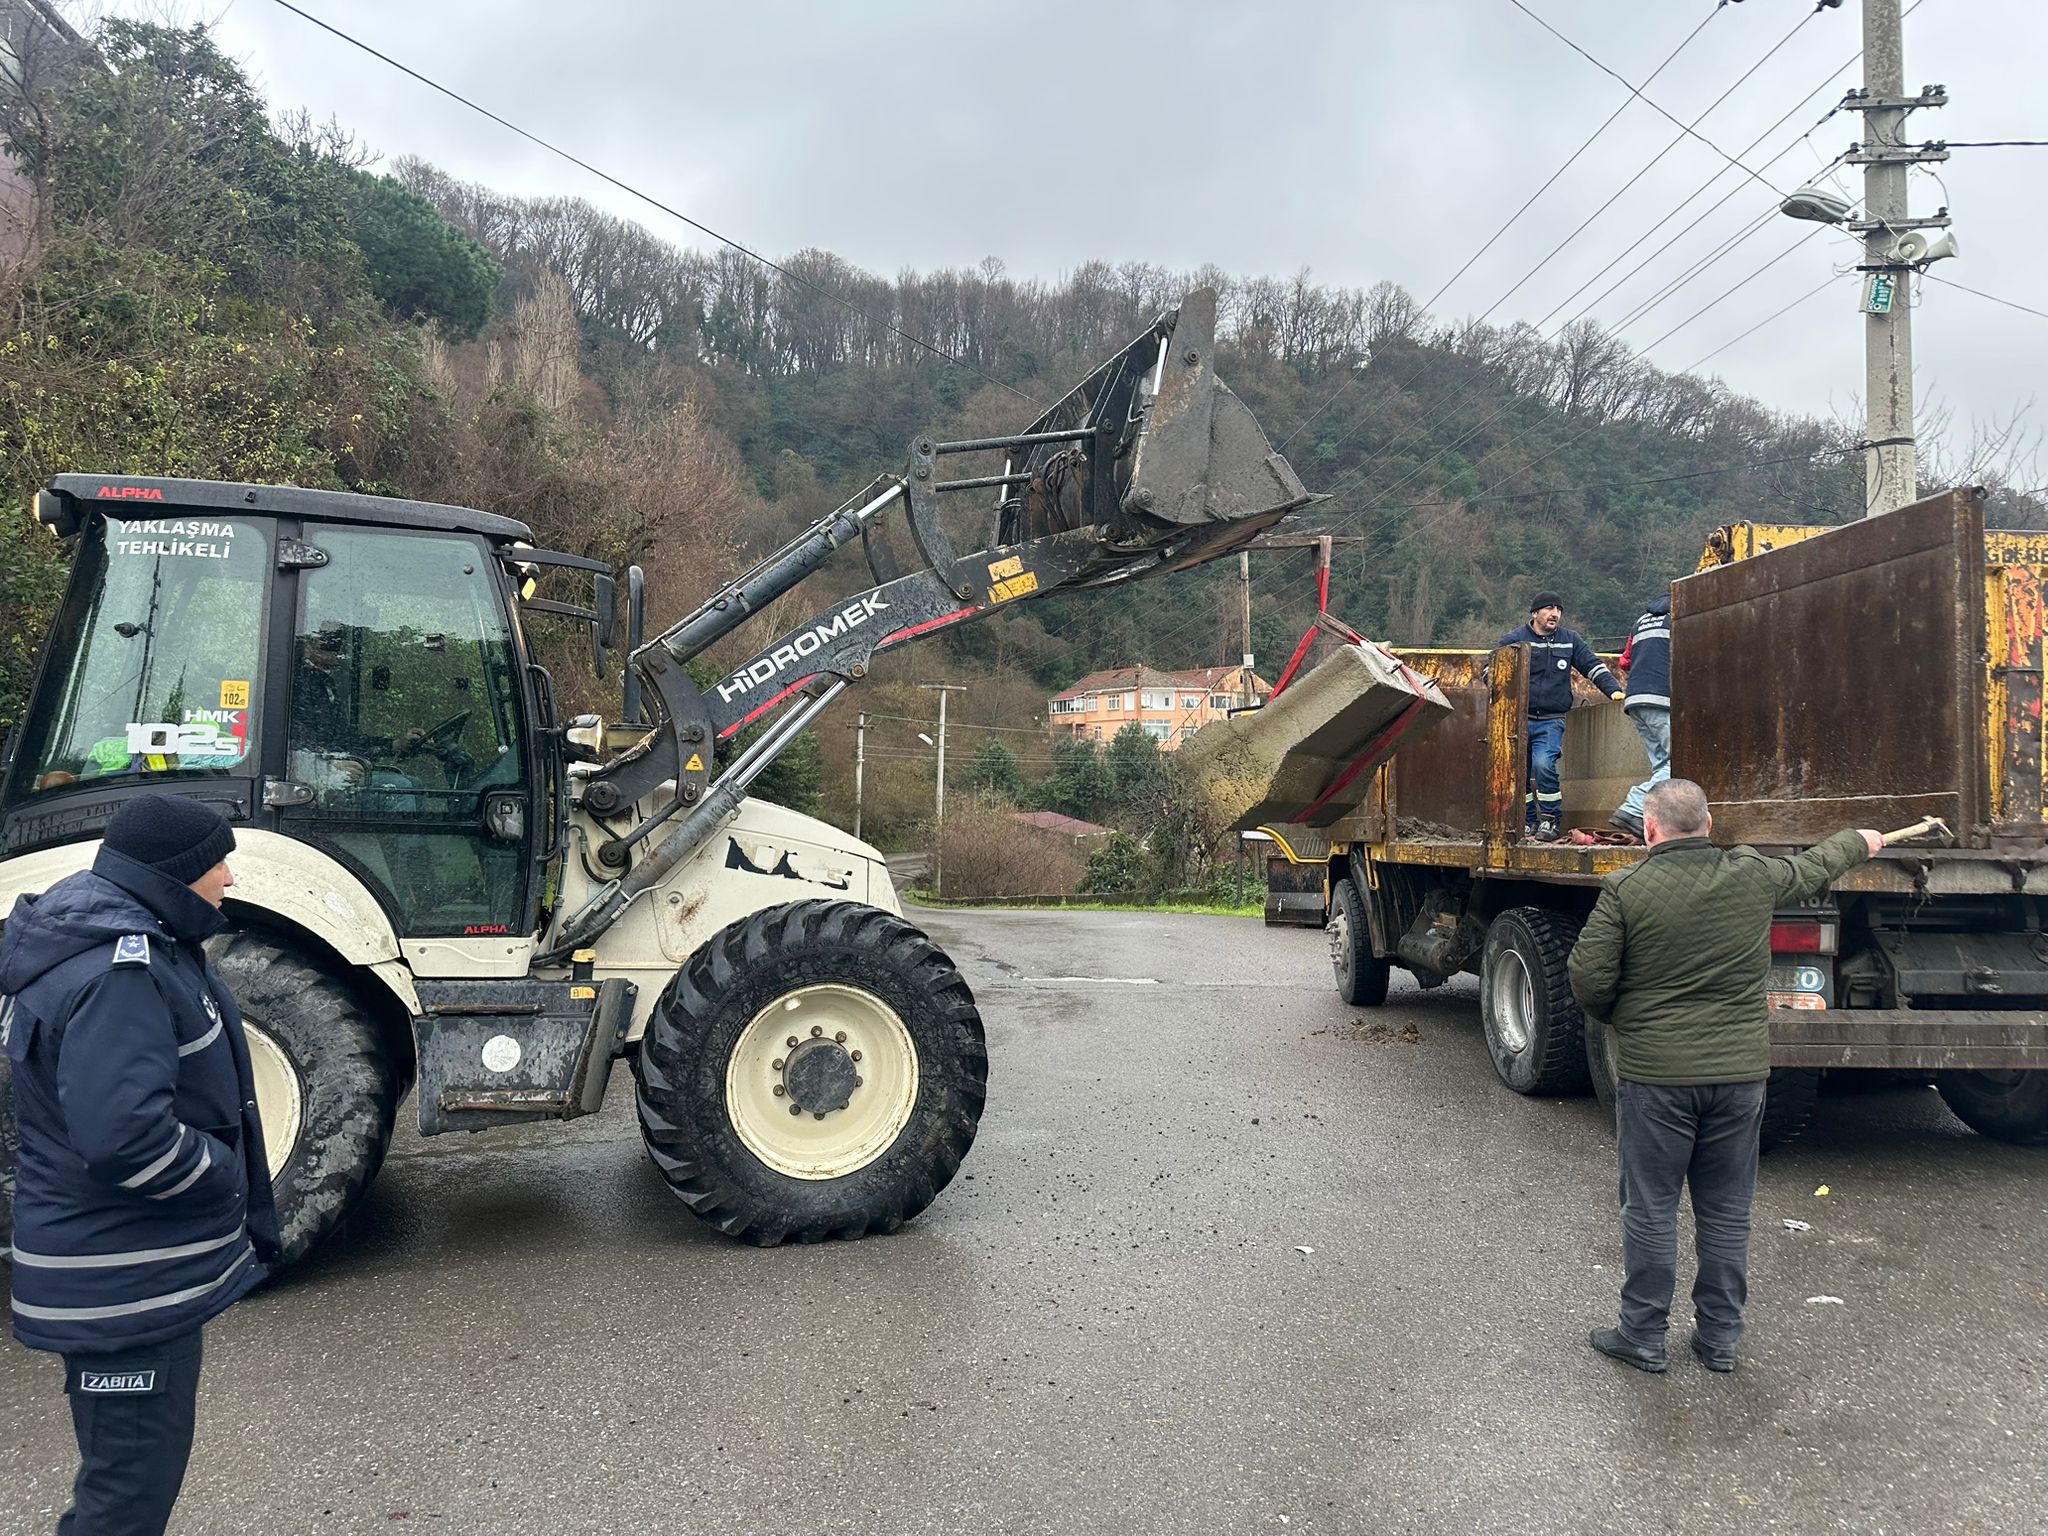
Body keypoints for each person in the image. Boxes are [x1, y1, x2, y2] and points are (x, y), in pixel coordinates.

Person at [1, 794, 280, 1534]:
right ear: (174, 871)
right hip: (119, 1286)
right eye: (215, 861)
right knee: (126, 1497)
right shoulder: (120, 969)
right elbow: (125, 1138)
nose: (226, 876)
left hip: (120, 1271)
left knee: (130, 1481)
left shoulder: (124, 941)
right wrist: (224, 1174)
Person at [1565, 779, 1880, 1374]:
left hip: (1657, 1079)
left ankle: (1643, 1336)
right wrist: (1863, 838)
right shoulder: (1752, 875)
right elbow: (1815, 866)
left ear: (1650, 830)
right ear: (1709, 825)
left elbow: (1589, 980)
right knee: (1728, 1209)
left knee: (1652, 1207)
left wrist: (1624, 1020)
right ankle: (1719, 1340)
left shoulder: (1626, 889)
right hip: (1738, 1078)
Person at [1496, 592, 1624, 842]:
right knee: (1518, 773)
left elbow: (1592, 666)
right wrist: (1496, 682)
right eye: (1549, 609)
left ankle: (1550, 820)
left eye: (1558, 609)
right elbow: (1493, 670)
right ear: (1534, 614)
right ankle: (1528, 821)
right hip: (1517, 720)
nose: (1555, 614)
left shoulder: (1570, 640)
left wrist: (1614, 691)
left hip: (1551, 720)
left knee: (1543, 765)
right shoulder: (1514, 640)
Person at [1608, 594, 1672, 840]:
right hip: (1661, 699)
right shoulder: (1678, 617)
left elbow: (1625, 662)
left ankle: (1648, 821)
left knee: (1662, 765)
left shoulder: (1641, 621)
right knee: (1679, 763)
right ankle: (1634, 806)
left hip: (1635, 700)